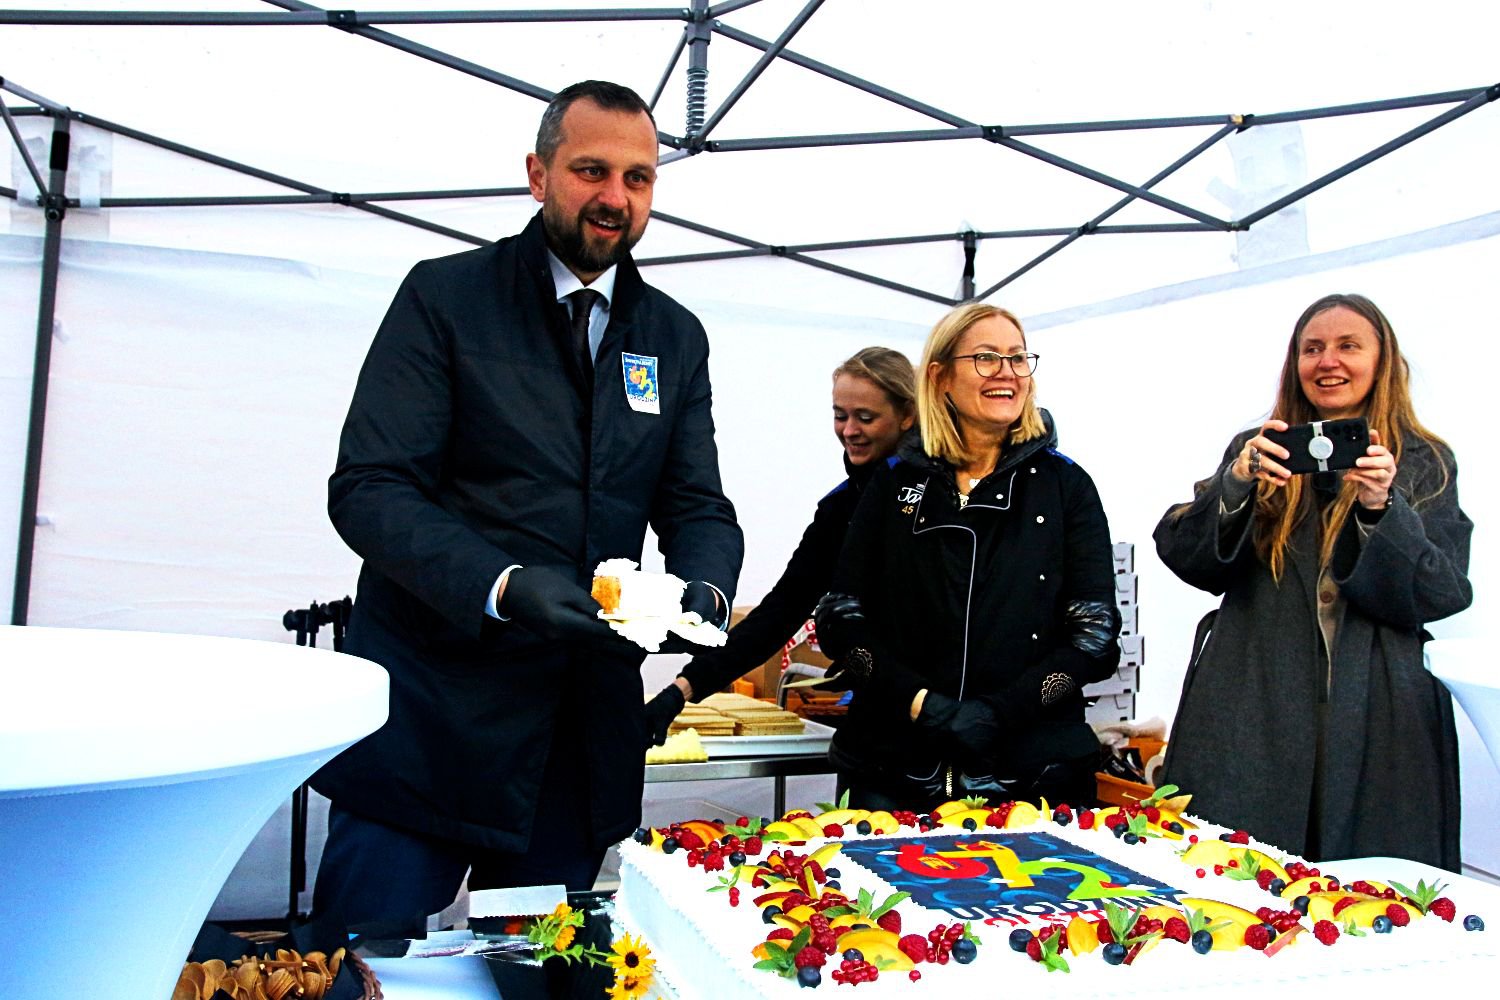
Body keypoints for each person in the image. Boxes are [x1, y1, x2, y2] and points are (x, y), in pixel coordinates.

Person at [310, 80, 744, 928]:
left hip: (576, 746)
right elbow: (369, 487)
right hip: (429, 726)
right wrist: (503, 583)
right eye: (592, 170)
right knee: (364, 968)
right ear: (539, 174)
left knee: (542, 975)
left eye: (639, 178)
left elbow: (698, 504)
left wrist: (705, 592)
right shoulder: (446, 298)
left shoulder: (672, 335)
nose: (615, 198)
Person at [1156, 293, 1472, 868]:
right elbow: (1186, 554)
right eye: (1312, 348)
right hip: (1256, 704)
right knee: (1245, 889)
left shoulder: (1424, 461)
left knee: (1372, 893)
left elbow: (1440, 592)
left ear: (1382, 360)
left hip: (1377, 711)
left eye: (1349, 346)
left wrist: (1382, 509)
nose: (1328, 360)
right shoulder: (1259, 449)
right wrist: (1235, 485)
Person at [814, 303, 1121, 811]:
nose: (1006, 372)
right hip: (889, 775)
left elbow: (1094, 635)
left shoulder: (1066, 487)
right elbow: (840, 617)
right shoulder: (892, 482)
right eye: (986, 357)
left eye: (1018, 358)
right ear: (940, 377)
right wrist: (922, 704)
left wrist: (999, 713)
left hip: (1031, 780)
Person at [641, 348, 916, 735]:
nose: (849, 430)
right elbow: (782, 610)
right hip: (880, 721)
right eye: (840, 416)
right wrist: (683, 689)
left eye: (866, 418)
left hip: (950, 717)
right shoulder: (841, 508)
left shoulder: (945, 494)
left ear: (907, 415)